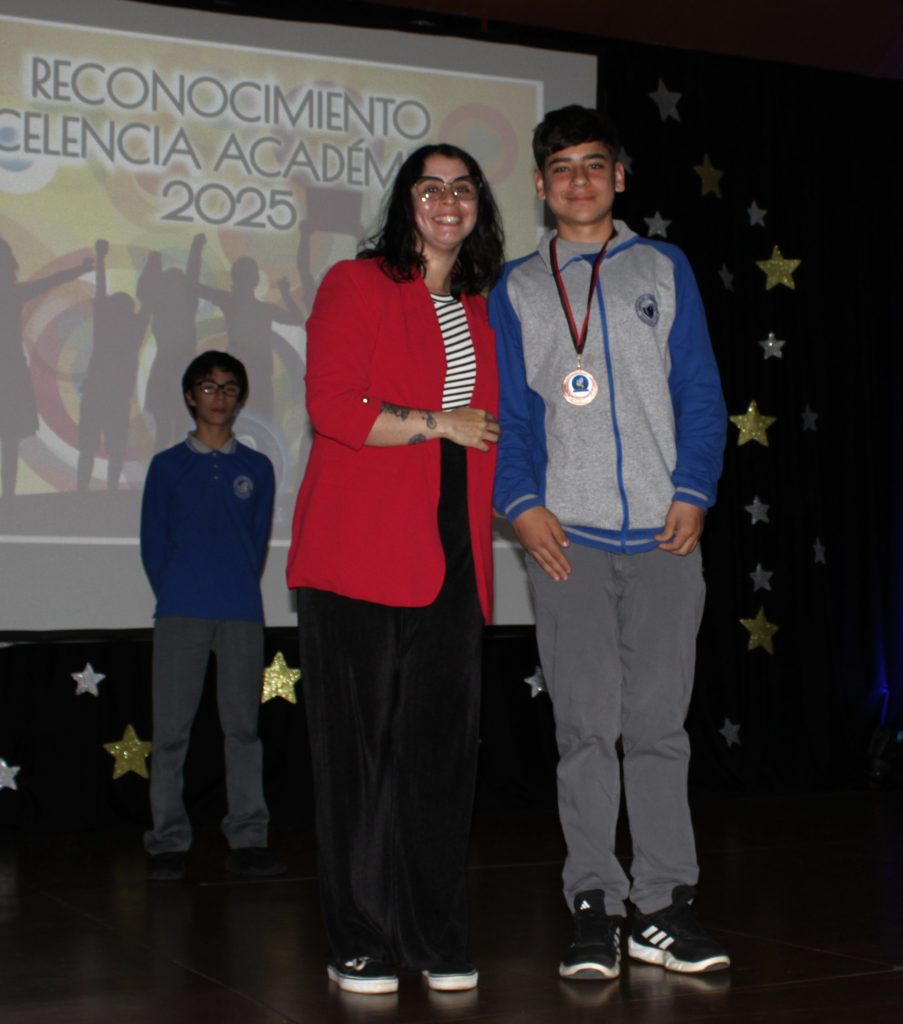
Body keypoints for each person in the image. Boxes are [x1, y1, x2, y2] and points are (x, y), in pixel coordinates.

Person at [490, 105, 729, 980]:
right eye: (561, 168)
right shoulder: (515, 287)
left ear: (619, 176)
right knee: (585, 730)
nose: (579, 181)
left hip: (665, 536)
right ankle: (593, 903)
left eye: (594, 164)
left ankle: (662, 907)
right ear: (540, 183)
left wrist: (693, 491)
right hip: (568, 540)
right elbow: (508, 416)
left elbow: (699, 391)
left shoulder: (663, 266)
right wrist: (521, 505)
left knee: (659, 728)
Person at [286, 144, 504, 995]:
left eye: (463, 189)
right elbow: (332, 408)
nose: (447, 202)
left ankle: (433, 933)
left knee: (439, 759)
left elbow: (504, 427)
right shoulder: (356, 283)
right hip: (356, 553)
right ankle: (360, 937)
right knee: (358, 758)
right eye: (429, 188)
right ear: (405, 202)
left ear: (479, 206)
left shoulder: (483, 308)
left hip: (453, 555)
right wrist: (439, 422)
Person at [140, 350, 284, 882]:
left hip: (241, 611)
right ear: (189, 396)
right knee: (171, 732)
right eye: (208, 387)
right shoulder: (166, 467)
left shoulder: (257, 468)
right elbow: (153, 545)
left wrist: (232, 586)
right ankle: (167, 841)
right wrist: (180, 591)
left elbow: (256, 540)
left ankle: (248, 838)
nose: (218, 397)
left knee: (243, 730)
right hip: (181, 611)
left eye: (228, 388)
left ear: (240, 398)